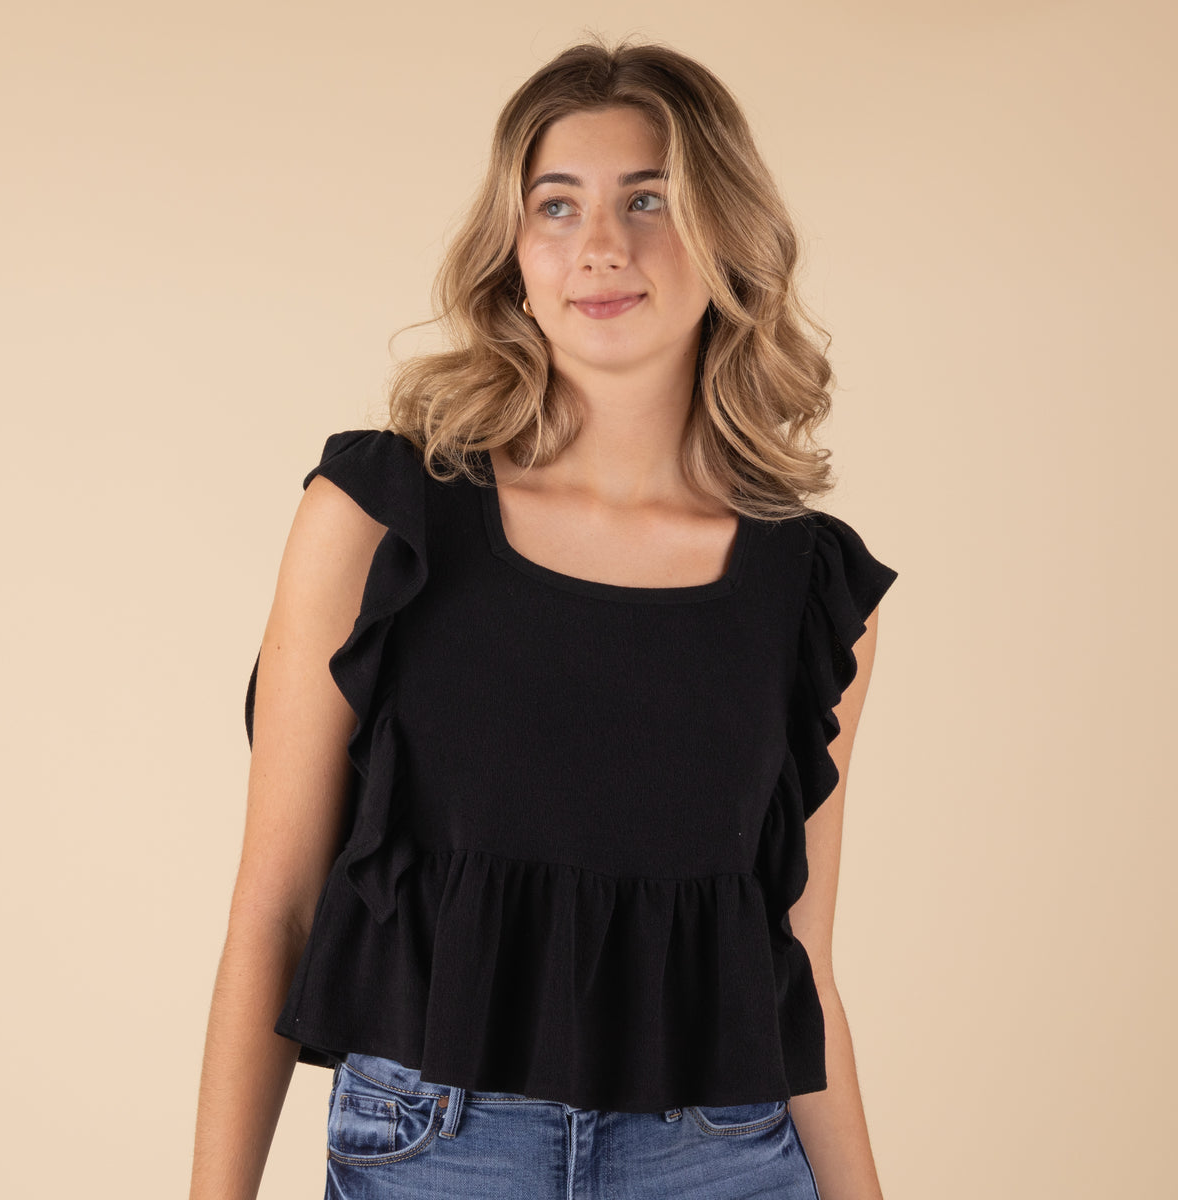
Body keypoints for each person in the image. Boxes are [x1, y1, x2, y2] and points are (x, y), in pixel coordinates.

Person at [189, 37, 898, 1200]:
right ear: (513, 253)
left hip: (722, 1159)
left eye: (648, 199)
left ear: (727, 236)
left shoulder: (812, 591)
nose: (601, 246)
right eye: (556, 205)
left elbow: (800, 965)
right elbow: (277, 911)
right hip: (433, 1152)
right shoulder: (378, 519)